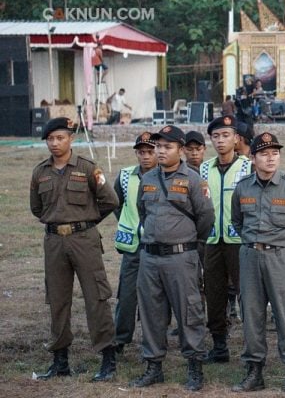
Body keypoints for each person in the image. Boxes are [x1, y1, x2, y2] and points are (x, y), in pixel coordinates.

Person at [30, 117, 120, 382]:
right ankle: (60, 361)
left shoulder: (88, 168)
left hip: (84, 240)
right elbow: (37, 208)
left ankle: (107, 359)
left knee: (96, 297)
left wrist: (87, 222)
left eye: (60, 138)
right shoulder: (40, 172)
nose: (55, 143)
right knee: (57, 300)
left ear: (71, 138)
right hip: (54, 242)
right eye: (50, 139)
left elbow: (110, 200)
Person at [230, 132, 285, 394]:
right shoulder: (243, 187)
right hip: (250, 258)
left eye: (275, 153)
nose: (271, 158)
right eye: (265, 153)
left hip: (281, 259)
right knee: (251, 315)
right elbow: (237, 221)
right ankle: (254, 373)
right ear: (252, 158)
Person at [130, 125, 215, 391]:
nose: (161, 151)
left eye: (167, 147)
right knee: (151, 313)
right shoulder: (147, 180)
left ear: (180, 149)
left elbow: (206, 218)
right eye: (158, 147)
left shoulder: (193, 180)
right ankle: (154, 366)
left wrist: (185, 240)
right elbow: (143, 213)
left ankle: (194, 367)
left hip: (181, 257)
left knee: (189, 312)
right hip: (150, 258)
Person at [199, 115, 253, 364]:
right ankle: (219, 345)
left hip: (240, 242)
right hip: (211, 242)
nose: (220, 141)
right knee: (214, 293)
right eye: (216, 136)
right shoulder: (203, 168)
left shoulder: (247, 167)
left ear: (236, 139)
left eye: (226, 135)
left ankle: (252, 347)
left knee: (248, 294)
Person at [113, 132, 157, 355]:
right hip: (133, 248)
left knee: (154, 298)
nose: (146, 157)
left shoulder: (164, 175)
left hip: (158, 245)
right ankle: (120, 339)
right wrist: (128, 221)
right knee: (127, 295)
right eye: (142, 152)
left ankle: (154, 342)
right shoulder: (124, 176)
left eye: (150, 152)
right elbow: (115, 203)